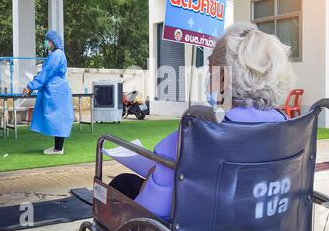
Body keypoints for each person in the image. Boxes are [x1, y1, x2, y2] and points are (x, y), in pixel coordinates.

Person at [109, 22, 295, 220]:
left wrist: (149, 182)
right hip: (262, 221)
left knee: (121, 186)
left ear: (224, 77)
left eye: (210, 67)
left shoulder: (198, 132)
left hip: (201, 228)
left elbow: (150, 209)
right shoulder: (287, 126)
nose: (207, 76)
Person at [23, 30, 74, 155]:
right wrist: (34, 83)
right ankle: (58, 147)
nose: (46, 43)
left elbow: (46, 73)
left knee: (57, 118)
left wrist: (31, 86)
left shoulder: (56, 55)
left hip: (56, 90)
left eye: (47, 41)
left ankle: (58, 149)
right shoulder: (57, 54)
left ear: (52, 42)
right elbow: (45, 72)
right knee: (58, 118)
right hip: (58, 90)